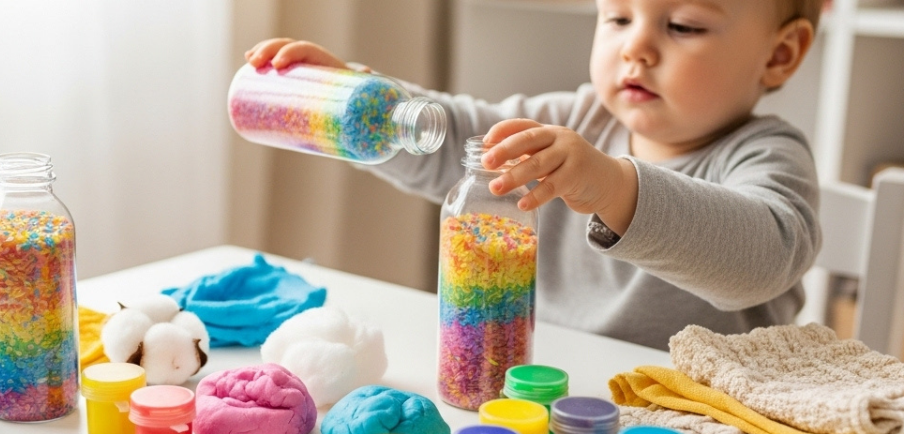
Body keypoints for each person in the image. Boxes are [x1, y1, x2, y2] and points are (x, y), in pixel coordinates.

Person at [244, 0, 821, 350]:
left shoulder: (766, 153)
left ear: (780, 54)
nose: (636, 47)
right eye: (618, 18)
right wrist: (361, 104)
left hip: (696, 422)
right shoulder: (572, 119)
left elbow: (764, 258)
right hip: (547, 386)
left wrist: (614, 187)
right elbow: (453, 139)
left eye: (685, 26)